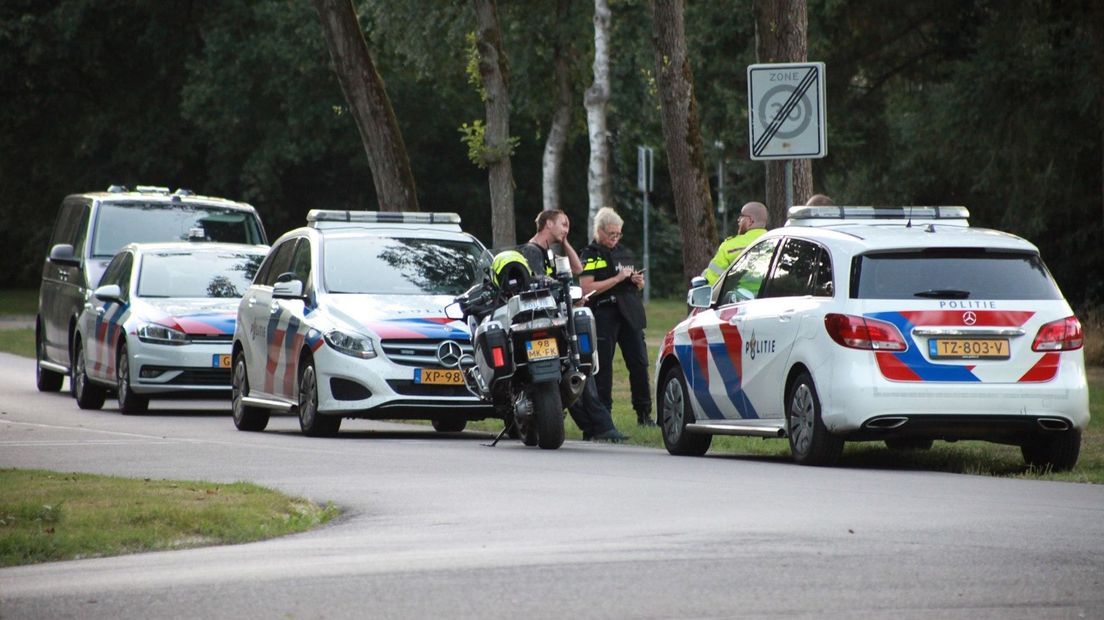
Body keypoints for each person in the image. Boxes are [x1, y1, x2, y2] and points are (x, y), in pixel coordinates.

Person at [518, 209, 627, 442]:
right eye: (562, 224)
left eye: (567, 226)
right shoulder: (532, 251)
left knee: (576, 373)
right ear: (548, 224)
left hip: (555, 319)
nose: (566, 229)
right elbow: (540, 282)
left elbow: (578, 270)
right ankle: (600, 426)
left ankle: (597, 426)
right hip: (546, 324)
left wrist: (565, 242)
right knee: (575, 372)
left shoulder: (548, 251)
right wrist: (566, 292)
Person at [579, 207, 653, 427]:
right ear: (599, 231)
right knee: (604, 368)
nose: (615, 238)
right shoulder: (590, 254)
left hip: (629, 313)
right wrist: (617, 279)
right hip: (604, 314)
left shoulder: (624, 252)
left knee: (639, 364)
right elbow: (586, 288)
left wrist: (638, 283)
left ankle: (644, 414)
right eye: (611, 234)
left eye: (618, 233)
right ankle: (604, 418)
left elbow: (631, 283)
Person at [701, 201, 769, 286]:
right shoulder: (776, 241)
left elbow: (711, 281)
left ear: (750, 221)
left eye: (742, 216)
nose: (738, 220)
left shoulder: (729, 246)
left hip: (738, 297)